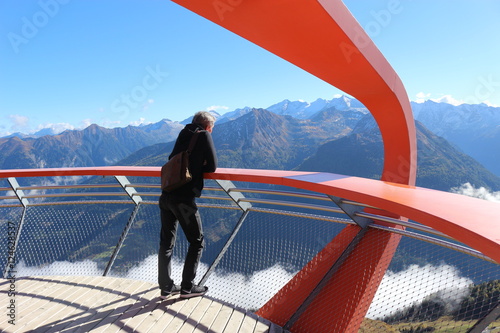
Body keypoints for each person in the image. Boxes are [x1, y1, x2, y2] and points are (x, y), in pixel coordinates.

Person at [158, 111, 217, 299]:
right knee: (197, 242)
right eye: (212, 128)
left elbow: (173, 157)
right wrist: (201, 165)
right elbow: (212, 167)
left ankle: (166, 287)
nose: (212, 131)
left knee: (166, 243)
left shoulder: (183, 133)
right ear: (207, 126)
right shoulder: (204, 135)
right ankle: (187, 287)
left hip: (166, 195)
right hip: (183, 199)